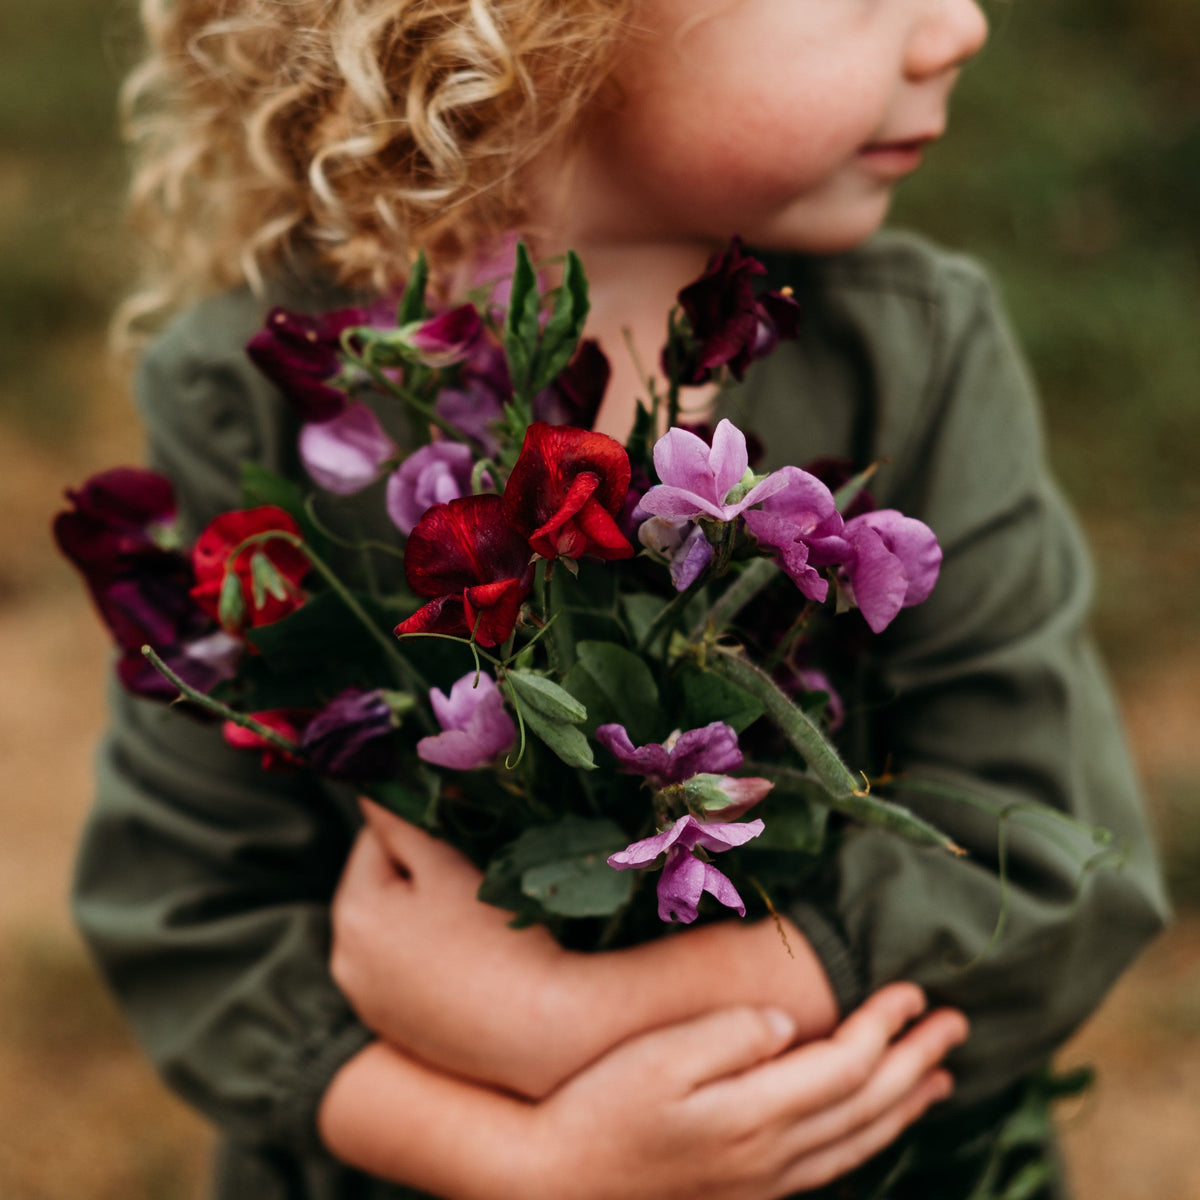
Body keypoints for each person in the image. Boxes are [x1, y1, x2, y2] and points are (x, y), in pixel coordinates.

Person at [71, 0, 1170, 1197]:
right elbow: (185, 914)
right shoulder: (263, 391)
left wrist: (550, 1012)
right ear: (543, 29)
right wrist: (533, 1164)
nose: (959, 25)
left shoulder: (912, 356)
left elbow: (1061, 864)